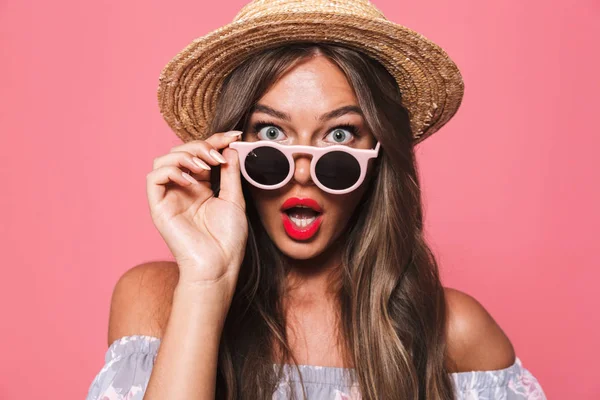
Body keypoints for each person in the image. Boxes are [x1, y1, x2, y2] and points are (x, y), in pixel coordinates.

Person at [86, 1, 547, 399]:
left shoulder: (456, 335)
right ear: (229, 151)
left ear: (377, 159)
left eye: (340, 135)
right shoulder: (155, 301)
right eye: (270, 135)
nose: (303, 173)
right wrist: (208, 282)